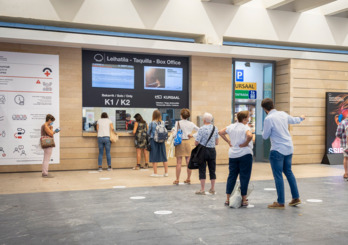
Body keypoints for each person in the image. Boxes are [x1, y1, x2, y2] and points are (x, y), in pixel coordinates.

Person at [261, 98, 305, 209]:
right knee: (289, 172)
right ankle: (296, 198)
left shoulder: (268, 119)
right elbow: (294, 120)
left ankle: (280, 202)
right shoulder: (283, 114)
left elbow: (265, 136)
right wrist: (301, 118)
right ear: (273, 105)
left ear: (264, 108)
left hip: (277, 150)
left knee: (278, 175)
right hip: (289, 148)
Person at [219, 111, 253, 207]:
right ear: (244, 118)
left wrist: (228, 141)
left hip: (233, 154)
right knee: (244, 176)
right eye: (248, 117)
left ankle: (227, 198)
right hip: (245, 154)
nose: (249, 118)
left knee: (232, 176)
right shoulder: (246, 127)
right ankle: (244, 199)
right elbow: (250, 136)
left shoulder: (231, 126)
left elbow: (220, 132)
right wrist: (246, 143)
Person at [171, 108, 199, 185]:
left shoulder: (178, 123)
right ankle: (188, 178)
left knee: (179, 162)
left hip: (180, 142)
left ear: (181, 115)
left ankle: (177, 179)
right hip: (188, 142)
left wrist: (173, 132)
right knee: (188, 162)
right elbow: (200, 130)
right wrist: (193, 135)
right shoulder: (191, 123)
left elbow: (174, 134)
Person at [194, 112, 219, 195]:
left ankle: (202, 189)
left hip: (203, 151)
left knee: (202, 170)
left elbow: (196, 142)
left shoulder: (201, 129)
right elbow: (217, 142)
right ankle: (212, 188)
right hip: (212, 151)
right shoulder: (215, 128)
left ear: (203, 120)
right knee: (212, 169)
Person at [147, 110, 168, 177]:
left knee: (154, 156)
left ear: (153, 115)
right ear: (160, 115)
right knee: (164, 156)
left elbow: (148, 133)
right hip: (162, 141)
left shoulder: (152, 123)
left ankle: (155, 173)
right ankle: (166, 172)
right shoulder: (163, 122)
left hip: (154, 140)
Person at [335, 116, 348, 181]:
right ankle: (346, 173)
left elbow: (338, 134)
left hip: (345, 143)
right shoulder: (343, 123)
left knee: (346, 157)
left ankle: (346, 173)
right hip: (346, 144)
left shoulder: (342, 123)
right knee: (346, 157)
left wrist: (343, 138)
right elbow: (338, 134)